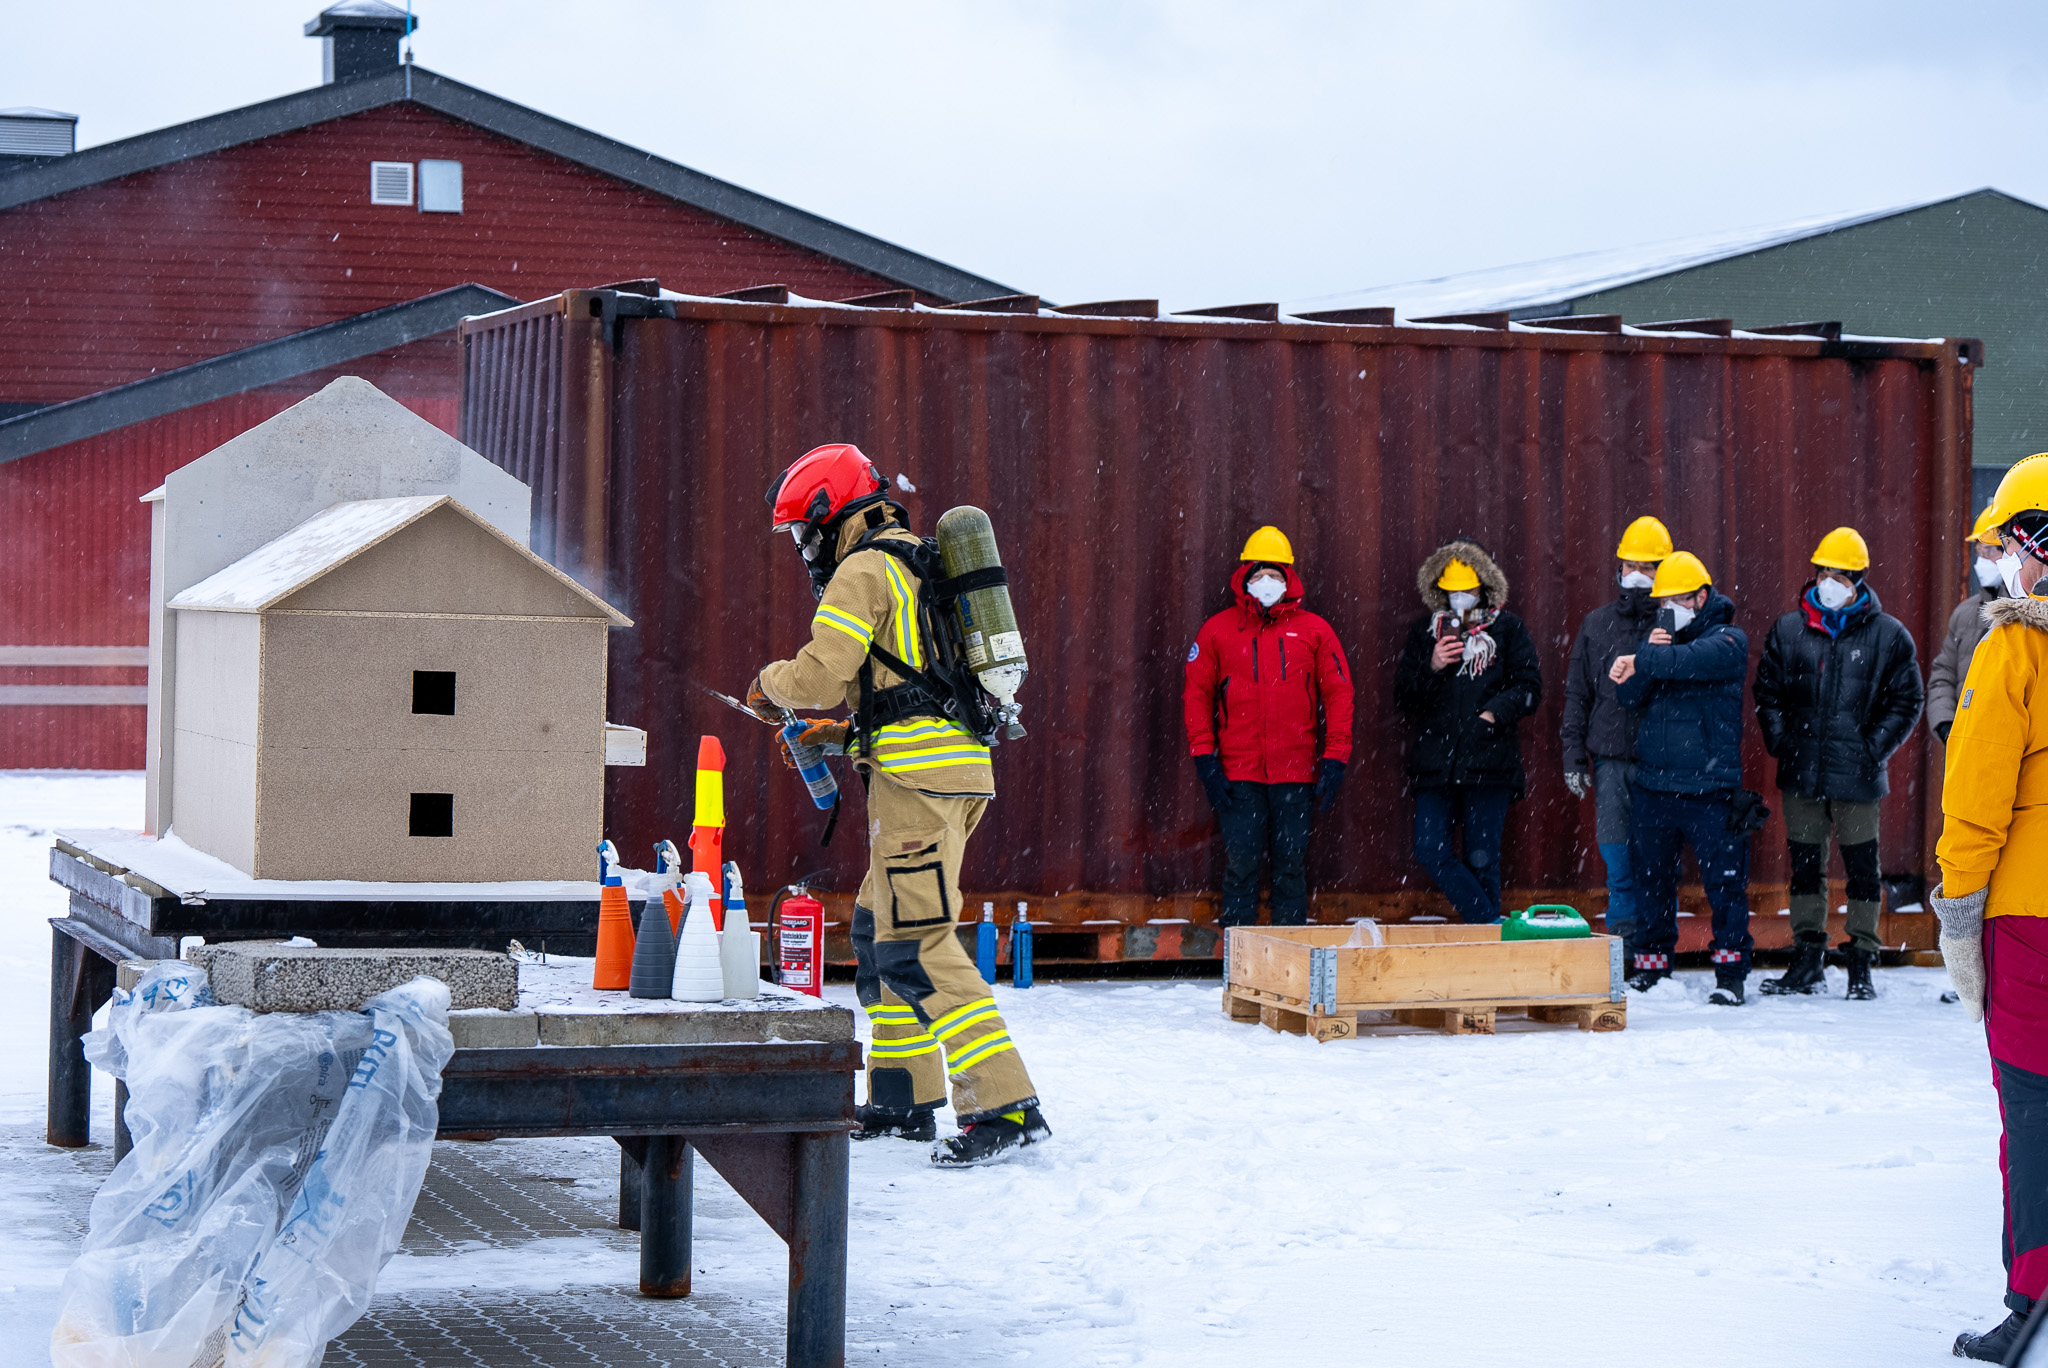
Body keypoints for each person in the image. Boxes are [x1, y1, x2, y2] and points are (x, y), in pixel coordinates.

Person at [749, 442, 1048, 1167]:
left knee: (920, 941)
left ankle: (1007, 1107)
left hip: (917, 785)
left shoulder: (860, 569)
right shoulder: (912, 558)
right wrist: (840, 728)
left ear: (828, 513)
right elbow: (907, 682)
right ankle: (901, 1096)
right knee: (880, 935)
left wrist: (769, 687)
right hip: (944, 770)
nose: (801, 548)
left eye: (801, 532)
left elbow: (821, 672)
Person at [1931, 453, 2048, 1360]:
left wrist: (1959, 917)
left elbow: (1974, 802)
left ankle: (2033, 1301)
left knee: (2035, 1104)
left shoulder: (2013, 647)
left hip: (2032, 919)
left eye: (2010, 539)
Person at [1751, 527, 1924, 1000]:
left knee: (1863, 872)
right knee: (1806, 869)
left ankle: (1861, 961)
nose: (1831, 581)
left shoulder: (1887, 635)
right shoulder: (1789, 630)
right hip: (1802, 772)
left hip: (1859, 778)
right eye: (1825, 571)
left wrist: (1872, 748)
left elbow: (1908, 699)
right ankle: (1807, 958)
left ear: (1859, 580)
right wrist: (1783, 741)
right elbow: (1767, 692)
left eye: (1841, 574)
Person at [1183, 527, 1356, 927]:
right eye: (1259, 574)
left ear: (1289, 579)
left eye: (1276, 575)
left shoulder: (1314, 631)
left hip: (1295, 774)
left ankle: (1288, 958)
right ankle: (1239, 964)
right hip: (1238, 773)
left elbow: (1340, 694)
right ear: (1245, 577)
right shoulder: (1218, 631)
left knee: (1291, 867)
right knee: (1241, 865)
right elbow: (1196, 696)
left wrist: (1335, 757)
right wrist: (1204, 759)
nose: (1267, 583)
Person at [1608, 551, 1755, 1004]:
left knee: (1725, 886)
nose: (1667, 608)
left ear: (1701, 597)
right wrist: (1628, 671)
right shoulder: (1662, 643)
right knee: (1652, 881)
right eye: (1662, 601)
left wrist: (1647, 655)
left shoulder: (1728, 640)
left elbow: (1681, 663)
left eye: (1677, 599)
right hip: (1655, 786)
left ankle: (1730, 976)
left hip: (1711, 791)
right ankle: (1652, 966)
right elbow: (1631, 696)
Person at [1394, 540, 1542, 924]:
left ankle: (1484, 950)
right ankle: (1489, 923)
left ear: (1485, 588)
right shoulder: (1424, 633)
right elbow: (1405, 697)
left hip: (1489, 763)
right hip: (1434, 766)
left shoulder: (1508, 630)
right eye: (1452, 590)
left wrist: (1492, 714)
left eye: (1469, 589)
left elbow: (1530, 688)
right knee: (1430, 849)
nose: (1461, 597)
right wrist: (1432, 665)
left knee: (1483, 859)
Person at [1561, 515, 1671, 956]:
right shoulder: (1597, 623)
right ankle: (1625, 948)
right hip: (1610, 764)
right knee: (1618, 859)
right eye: (1631, 566)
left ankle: (1656, 947)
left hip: (1663, 764)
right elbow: (1577, 694)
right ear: (1618, 568)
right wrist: (1573, 756)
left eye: (1650, 567)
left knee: (1658, 861)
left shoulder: (1678, 626)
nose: (1639, 576)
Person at [1928, 505, 2011, 746]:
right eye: (1979, 551)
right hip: (1964, 743)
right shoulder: (1963, 613)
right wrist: (1945, 724)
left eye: (1990, 551)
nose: (1982, 559)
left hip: (2008, 742)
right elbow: (1943, 674)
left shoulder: (2030, 611)